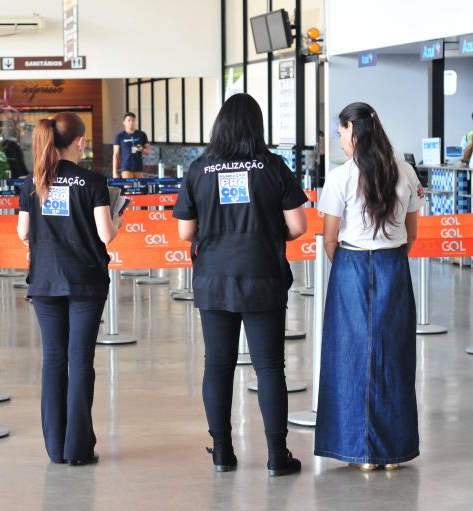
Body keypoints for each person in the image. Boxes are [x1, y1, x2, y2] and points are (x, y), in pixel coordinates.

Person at [172, 93, 308, 477]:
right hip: (263, 275)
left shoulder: (198, 169)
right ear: (257, 126)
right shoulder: (273, 166)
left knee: (217, 365)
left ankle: (222, 453)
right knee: (269, 367)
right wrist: (267, 233)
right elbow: (298, 226)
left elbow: (185, 232)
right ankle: (277, 456)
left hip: (214, 278)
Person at [314, 102, 422, 471]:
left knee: (349, 357)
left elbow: (329, 239)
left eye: (341, 131)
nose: (340, 139)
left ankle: (357, 452)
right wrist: (387, 257)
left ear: (353, 131)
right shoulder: (405, 172)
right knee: (395, 356)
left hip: (351, 266)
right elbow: (412, 235)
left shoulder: (340, 176)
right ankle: (394, 453)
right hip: (394, 265)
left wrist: (350, 265)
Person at [17, 112, 122, 465]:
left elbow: (22, 232)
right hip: (85, 281)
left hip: (45, 281)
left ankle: (55, 447)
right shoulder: (93, 183)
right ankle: (78, 448)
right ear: (80, 141)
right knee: (80, 361)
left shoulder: (34, 183)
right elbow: (106, 234)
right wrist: (119, 217)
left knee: (54, 360)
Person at [112, 112, 150, 179]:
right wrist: (114, 172)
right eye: (129, 120)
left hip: (138, 168)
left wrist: (142, 149)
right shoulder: (120, 136)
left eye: (133, 120)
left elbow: (148, 151)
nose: (131, 122)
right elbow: (115, 154)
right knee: (129, 188)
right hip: (126, 167)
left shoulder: (142, 134)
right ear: (124, 122)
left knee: (139, 189)